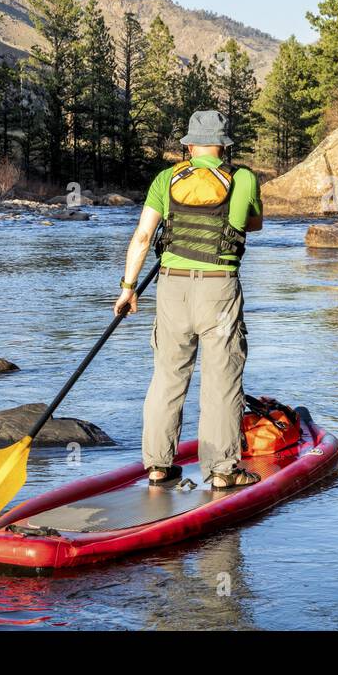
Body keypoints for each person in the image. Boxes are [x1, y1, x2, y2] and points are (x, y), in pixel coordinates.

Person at [114, 110, 264, 489]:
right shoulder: (243, 178)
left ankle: (158, 466)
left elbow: (143, 237)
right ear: (223, 144)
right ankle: (222, 471)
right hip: (219, 290)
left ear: (189, 144)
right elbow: (254, 223)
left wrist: (127, 288)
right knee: (222, 381)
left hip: (171, 289)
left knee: (167, 377)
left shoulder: (166, 179)